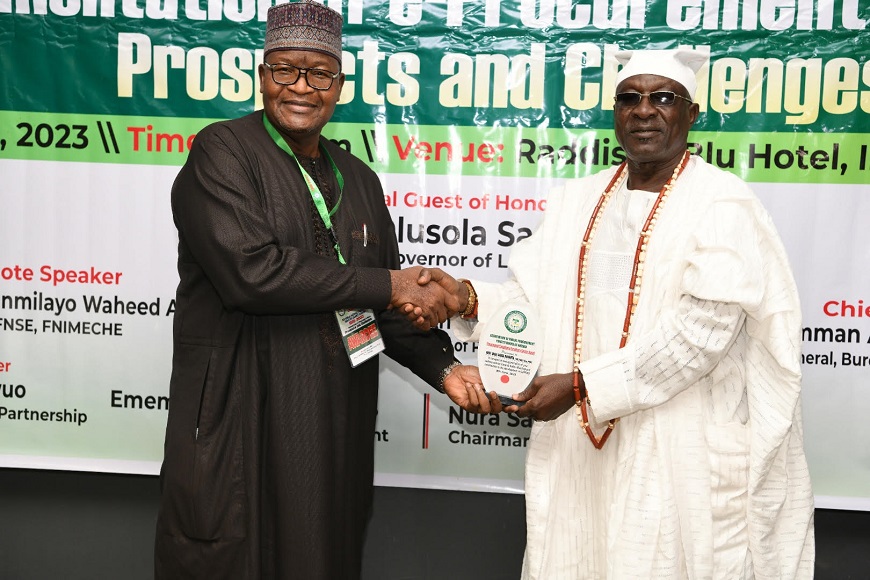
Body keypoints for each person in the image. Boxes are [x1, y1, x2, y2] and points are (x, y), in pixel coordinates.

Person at [412, 48, 815, 578]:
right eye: (630, 98)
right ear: (615, 113)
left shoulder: (722, 205)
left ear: (691, 114)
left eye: (663, 98)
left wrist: (580, 387)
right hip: (578, 448)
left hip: (677, 446)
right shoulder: (575, 201)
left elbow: (698, 335)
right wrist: (464, 298)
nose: (644, 110)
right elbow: (530, 301)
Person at [153, 1, 493, 577]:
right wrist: (389, 283)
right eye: (285, 70)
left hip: (334, 422)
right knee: (235, 555)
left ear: (340, 85)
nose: (301, 87)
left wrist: (445, 369)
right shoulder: (223, 151)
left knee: (323, 556)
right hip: (242, 411)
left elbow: (384, 305)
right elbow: (250, 274)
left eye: (320, 73)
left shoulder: (357, 176)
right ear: (262, 76)